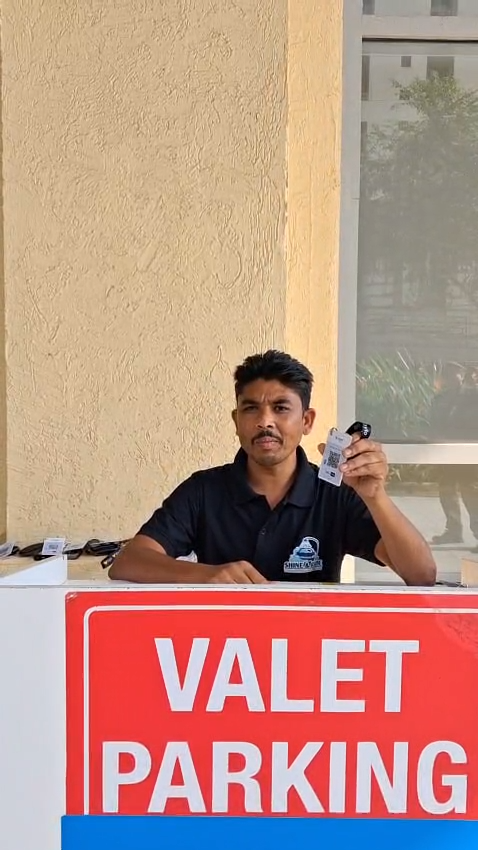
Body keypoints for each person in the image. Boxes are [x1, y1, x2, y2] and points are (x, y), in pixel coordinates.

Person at [110, 351, 436, 585]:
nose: (265, 421)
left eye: (281, 408)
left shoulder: (335, 493)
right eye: (251, 409)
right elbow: (128, 562)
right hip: (226, 652)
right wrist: (206, 575)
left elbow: (421, 575)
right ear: (236, 421)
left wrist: (376, 496)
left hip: (313, 651)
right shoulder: (204, 490)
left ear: (306, 421)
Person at [430, 363, 478, 549]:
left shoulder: (472, 395)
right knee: (446, 488)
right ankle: (454, 530)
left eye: (456, 374)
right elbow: (434, 421)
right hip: (445, 449)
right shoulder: (440, 398)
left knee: (469, 491)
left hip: (466, 450)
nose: (452, 378)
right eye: (448, 375)